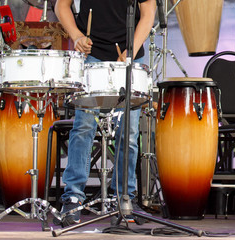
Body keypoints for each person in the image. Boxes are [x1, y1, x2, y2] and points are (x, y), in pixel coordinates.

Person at [54, 0, 156, 226]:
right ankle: (73, 197)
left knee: (127, 132)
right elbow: (62, 5)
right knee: (84, 127)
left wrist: (132, 50)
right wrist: (77, 36)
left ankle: (123, 197)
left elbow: (148, 12)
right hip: (92, 55)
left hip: (131, 55)